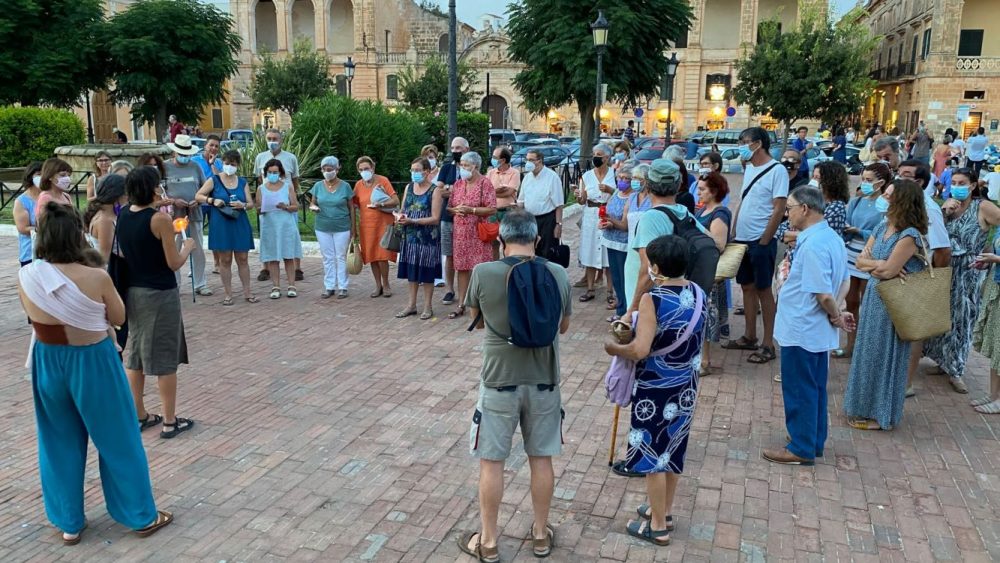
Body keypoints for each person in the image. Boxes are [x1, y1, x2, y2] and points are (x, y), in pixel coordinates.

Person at [19, 202, 174, 545]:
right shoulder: (96, 276)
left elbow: (33, 315)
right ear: (77, 235)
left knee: (57, 440)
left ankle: (69, 523)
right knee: (118, 439)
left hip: (48, 360)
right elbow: (118, 318)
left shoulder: (28, 274)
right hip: (92, 360)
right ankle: (140, 515)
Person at [459, 209, 572, 562]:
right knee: (541, 458)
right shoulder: (557, 273)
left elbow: (476, 323)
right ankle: (540, 535)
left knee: (492, 462)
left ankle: (489, 541)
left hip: (498, 381)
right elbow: (563, 327)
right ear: (536, 241)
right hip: (544, 380)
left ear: (500, 239)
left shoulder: (483, 272)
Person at [605, 234, 705, 546]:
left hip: (656, 388)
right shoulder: (699, 293)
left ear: (657, 267)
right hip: (686, 384)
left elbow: (639, 349)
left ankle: (657, 525)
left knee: (652, 454)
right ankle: (664, 510)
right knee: (673, 446)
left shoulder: (654, 299)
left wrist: (613, 348)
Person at [764, 186, 853, 465]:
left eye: (789, 208)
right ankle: (812, 440)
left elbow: (822, 292)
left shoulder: (814, 244)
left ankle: (801, 447)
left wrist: (835, 313)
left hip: (803, 327)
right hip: (813, 328)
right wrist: (838, 310)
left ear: (805, 208)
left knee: (800, 387)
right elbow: (844, 281)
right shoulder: (830, 238)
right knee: (813, 386)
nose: (785, 213)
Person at [117, 167, 197, 439]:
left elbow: (147, 245)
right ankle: (170, 421)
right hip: (160, 293)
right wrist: (186, 247)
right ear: (153, 188)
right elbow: (173, 262)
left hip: (134, 291)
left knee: (136, 354)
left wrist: (170, 229)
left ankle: (138, 414)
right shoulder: (158, 220)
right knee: (164, 357)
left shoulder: (125, 215)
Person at [843, 180, 928, 431]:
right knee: (867, 353)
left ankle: (881, 414)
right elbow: (860, 262)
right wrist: (880, 266)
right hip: (874, 297)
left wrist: (879, 266)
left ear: (901, 201)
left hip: (894, 303)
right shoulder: (882, 226)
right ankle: (862, 406)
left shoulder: (910, 234)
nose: (883, 198)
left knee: (885, 356)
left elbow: (890, 270)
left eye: (889, 195)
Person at [923, 168, 1000, 393]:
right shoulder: (947, 205)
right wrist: (944, 212)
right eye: (953, 181)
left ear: (973, 185)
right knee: (940, 315)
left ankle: (956, 369)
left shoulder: (982, 206)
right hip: (944, 267)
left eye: (962, 182)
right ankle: (942, 360)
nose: (956, 186)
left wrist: (990, 251)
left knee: (962, 319)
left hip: (967, 271)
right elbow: (934, 234)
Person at [725, 127, 788, 364]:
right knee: (747, 287)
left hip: (761, 241)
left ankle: (768, 343)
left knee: (764, 290)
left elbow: (779, 208)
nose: (742, 145)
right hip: (742, 238)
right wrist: (734, 229)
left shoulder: (776, 170)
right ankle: (749, 336)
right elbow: (745, 200)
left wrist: (764, 240)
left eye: (745, 141)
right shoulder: (750, 168)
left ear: (759, 143)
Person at [624, 159, 711, 319]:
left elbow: (648, 270)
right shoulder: (683, 212)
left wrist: (631, 311)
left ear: (648, 186)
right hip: (674, 299)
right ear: (678, 186)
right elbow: (713, 241)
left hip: (651, 306)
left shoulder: (651, 218)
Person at [840, 163, 893, 358]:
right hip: (851, 254)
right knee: (850, 301)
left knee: (869, 304)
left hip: (871, 257)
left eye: (869, 180)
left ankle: (867, 349)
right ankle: (850, 345)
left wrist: (860, 231)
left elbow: (885, 232)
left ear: (881, 182)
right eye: (863, 179)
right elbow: (846, 222)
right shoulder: (856, 201)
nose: (865, 183)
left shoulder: (885, 204)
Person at [195, 150, 257, 305]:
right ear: (222, 163)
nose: (229, 166)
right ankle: (228, 294)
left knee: (243, 258)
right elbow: (198, 195)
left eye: (233, 164)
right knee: (225, 259)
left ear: (238, 165)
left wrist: (243, 205)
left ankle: (247, 292)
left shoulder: (242, 182)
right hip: (221, 222)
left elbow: (250, 203)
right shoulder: (214, 180)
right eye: (227, 163)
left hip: (239, 221)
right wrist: (212, 200)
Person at [447, 152, 496, 319]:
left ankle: (482, 305)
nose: (463, 168)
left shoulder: (485, 183)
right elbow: (449, 207)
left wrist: (472, 210)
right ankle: (461, 304)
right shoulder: (458, 184)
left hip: (478, 233)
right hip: (460, 234)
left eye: (466, 165)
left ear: (475, 166)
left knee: (479, 268)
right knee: (461, 268)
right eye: (461, 164)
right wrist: (457, 210)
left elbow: (492, 208)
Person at [396, 157, 444, 320]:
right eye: (412, 170)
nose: (414, 173)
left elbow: (436, 218)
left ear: (426, 171)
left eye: (417, 170)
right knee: (411, 271)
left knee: (427, 272)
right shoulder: (409, 188)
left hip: (427, 238)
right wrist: (399, 217)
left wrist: (413, 221)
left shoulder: (435, 190)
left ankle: (428, 306)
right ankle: (411, 305)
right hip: (410, 237)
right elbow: (403, 208)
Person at [693, 171, 732, 374]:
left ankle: (705, 361)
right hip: (699, 269)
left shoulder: (719, 213)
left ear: (714, 191)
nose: (698, 193)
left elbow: (719, 244)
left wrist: (696, 227)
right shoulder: (703, 210)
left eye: (702, 190)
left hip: (709, 272)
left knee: (707, 316)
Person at [164, 134, 211, 297]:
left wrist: (198, 201)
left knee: (197, 249)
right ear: (174, 153)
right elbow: (158, 192)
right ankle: (174, 284)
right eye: (181, 154)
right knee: (173, 249)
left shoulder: (195, 167)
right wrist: (173, 201)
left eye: (187, 154)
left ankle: (200, 283)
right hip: (173, 216)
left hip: (193, 213)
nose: (185, 157)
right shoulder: (164, 168)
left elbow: (204, 187)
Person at [254, 128, 302, 282]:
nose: (272, 142)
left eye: (275, 138)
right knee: (267, 235)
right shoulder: (260, 157)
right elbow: (260, 179)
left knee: (291, 235)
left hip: (286, 202)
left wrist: (293, 198)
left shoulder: (290, 158)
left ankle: (297, 267)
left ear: (281, 140)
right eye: (269, 138)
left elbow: (295, 180)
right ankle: (265, 267)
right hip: (268, 204)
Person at [352, 156, 398, 297]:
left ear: (373, 168)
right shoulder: (359, 185)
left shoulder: (382, 181)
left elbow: (395, 200)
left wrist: (382, 204)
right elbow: (354, 206)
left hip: (383, 223)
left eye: (366, 168)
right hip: (366, 225)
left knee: (382, 255)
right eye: (361, 169)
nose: (364, 171)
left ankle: (386, 284)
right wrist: (353, 228)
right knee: (372, 256)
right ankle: (377, 285)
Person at [258, 159, 304, 298]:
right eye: (270, 172)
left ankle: (291, 285)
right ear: (266, 173)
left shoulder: (287, 186)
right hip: (270, 225)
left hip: (286, 225)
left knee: (288, 255)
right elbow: (258, 208)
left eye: (275, 172)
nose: (272, 174)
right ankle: (276, 286)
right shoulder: (261, 188)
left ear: (280, 173)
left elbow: (296, 206)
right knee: (273, 257)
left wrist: (286, 207)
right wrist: (263, 208)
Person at [577, 143, 614, 302]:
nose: (595, 158)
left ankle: (610, 292)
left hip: (608, 213)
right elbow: (582, 200)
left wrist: (610, 190)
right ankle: (590, 288)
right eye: (594, 154)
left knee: (608, 254)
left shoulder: (615, 174)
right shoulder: (586, 176)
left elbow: (622, 193)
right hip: (591, 215)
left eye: (599, 155)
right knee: (590, 251)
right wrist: (579, 196)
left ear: (606, 157)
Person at [601, 160, 636, 322]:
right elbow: (608, 211)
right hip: (610, 240)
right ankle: (620, 307)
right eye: (620, 177)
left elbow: (624, 225)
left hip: (623, 243)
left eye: (626, 178)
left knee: (624, 278)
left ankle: (626, 311)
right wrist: (605, 222)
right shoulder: (616, 193)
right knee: (615, 276)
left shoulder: (632, 198)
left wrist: (610, 220)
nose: (621, 181)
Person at [436, 137, 470, 304]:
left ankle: (467, 290)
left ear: (466, 149)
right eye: (453, 148)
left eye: (459, 148)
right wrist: (454, 190)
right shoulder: (446, 168)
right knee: (449, 254)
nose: (455, 151)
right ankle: (450, 289)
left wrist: (451, 189)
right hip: (447, 217)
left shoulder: (471, 168)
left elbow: (471, 190)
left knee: (465, 254)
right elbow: (439, 190)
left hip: (467, 218)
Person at [517, 148, 565, 261]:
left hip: (547, 220)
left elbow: (559, 204)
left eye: (531, 160)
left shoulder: (552, 177)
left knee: (547, 252)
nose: (528, 163)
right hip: (529, 220)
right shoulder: (527, 178)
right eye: (527, 159)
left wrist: (559, 224)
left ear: (540, 160)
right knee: (530, 251)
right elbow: (521, 200)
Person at [972, 229, 1000, 414]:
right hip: (996, 285)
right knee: (995, 341)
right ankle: (993, 394)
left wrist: (996, 259)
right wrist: (986, 261)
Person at [487, 146, 520, 259]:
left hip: (507, 211)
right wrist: (496, 191)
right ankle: (495, 267)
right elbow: (486, 191)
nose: (493, 159)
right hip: (492, 212)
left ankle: (508, 265)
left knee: (508, 241)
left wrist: (493, 192)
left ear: (503, 160)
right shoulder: (491, 173)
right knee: (493, 243)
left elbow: (509, 191)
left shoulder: (514, 173)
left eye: (495, 157)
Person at [14, 162, 42, 266]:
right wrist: (46, 229)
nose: (42, 177)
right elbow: (23, 228)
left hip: (52, 252)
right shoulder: (22, 201)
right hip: (31, 252)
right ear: (30, 176)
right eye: (39, 174)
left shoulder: (48, 196)